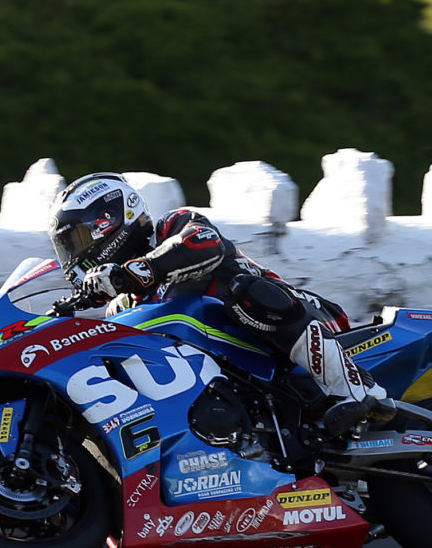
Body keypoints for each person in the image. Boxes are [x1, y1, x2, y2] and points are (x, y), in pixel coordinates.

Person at [46, 171, 389, 436]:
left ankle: (357, 389)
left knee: (246, 291)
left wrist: (138, 270)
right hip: (241, 377)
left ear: (108, 220)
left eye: (77, 240)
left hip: (301, 322)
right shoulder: (121, 308)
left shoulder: (171, 227)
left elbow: (204, 244)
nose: (74, 255)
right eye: (67, 247)